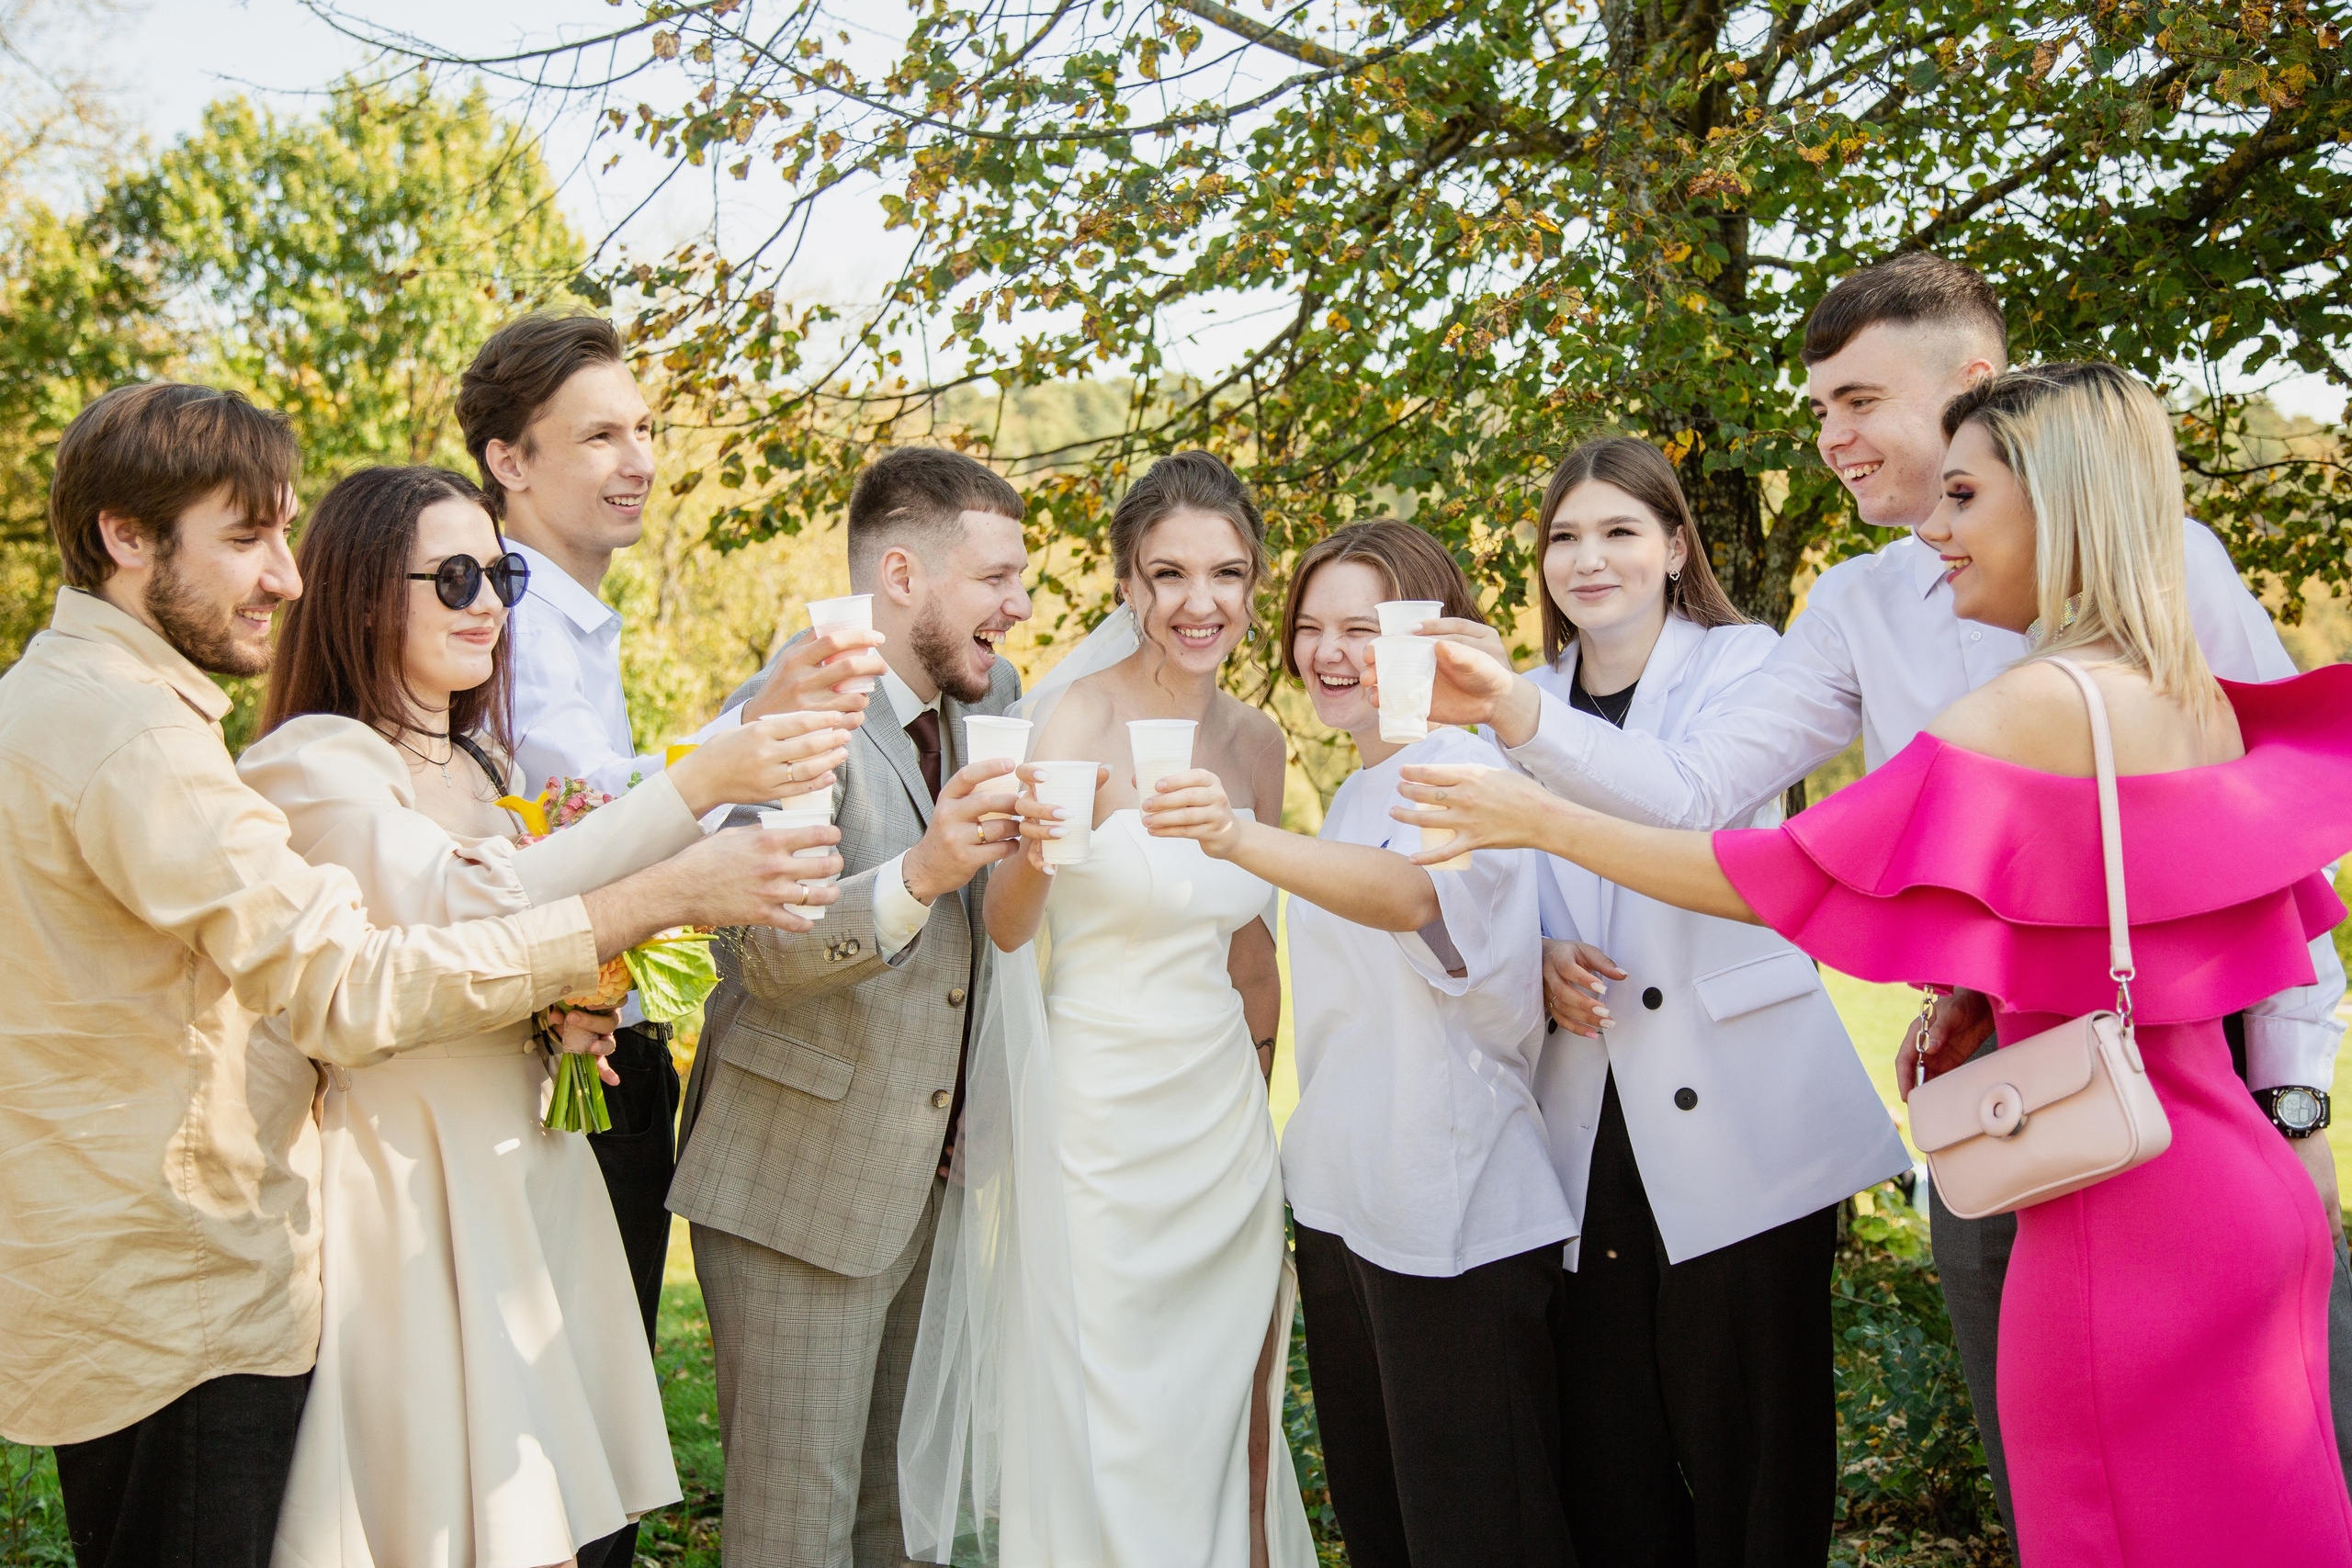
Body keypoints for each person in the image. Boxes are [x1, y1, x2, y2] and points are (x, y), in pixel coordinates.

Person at [1407, 253, 2350, 1529]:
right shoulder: (2108, 669)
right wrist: (1981, 985)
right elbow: (2229, 880)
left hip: (2163, 1157)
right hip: (2085, 1127)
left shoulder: (2036, 688)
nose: (1837, 444)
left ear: (1978, 393)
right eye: (1818, 412)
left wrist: (1530, 808)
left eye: (1863, 405)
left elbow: (1792, 872)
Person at [0, 383, 816, 1568]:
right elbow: (352, 984)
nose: (281, 575)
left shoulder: (57, 705)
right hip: (192, 1279)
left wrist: (563, 995)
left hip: (151, 1263)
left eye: (285, 536)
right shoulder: (156, 741)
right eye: (247, 538)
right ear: (126, 538)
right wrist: (654, 892)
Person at [238, 465, 854, 1568]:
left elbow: (528, 937)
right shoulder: (315, 759)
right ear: (363, 592)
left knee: (549, 1515)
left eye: (503, 576)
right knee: (445, 1519)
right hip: (415, 1185)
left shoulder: (485, 760)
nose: (488, 604)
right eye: (457, 576)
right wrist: (696, 786)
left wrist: (571, 1000)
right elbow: (464, 909)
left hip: (532, 1168)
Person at [902, 449, 1317, 1566]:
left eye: (1225, 575)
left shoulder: (1257, 743)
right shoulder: (1075, 718)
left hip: (1221, 1125)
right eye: (1167, 574)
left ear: (1252, 584)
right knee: (1107, 1408)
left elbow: (1250, 948)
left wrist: (1261, 1110)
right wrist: (1040, 847)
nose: (1199, 603)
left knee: (1219, 1400)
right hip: (1095, 1121)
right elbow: (1004, 926)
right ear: (1128, 585)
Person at [1137, 518, 1576, 1567]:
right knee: (1385, 1528)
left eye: (1365, 630)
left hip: (1451, 1217)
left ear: (1431, 639)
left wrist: (1239, 836)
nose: (1330, 654)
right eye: (1312, 627)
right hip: (1340, 1204)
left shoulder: (1461, 770)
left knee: (1478, 1536)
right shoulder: (1350, 793)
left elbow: (1412, 898)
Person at [457, 311, 887, 1354]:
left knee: (601, 1411)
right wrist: (754, 723)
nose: (639, 461)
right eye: (601, 436)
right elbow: (583, 815)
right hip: (555, 1052)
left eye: (645, 430)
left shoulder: (574, 621)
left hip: (602, 1034)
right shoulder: (500, 615)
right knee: (570, 1415)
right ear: (507, 460)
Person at [1512, 437, 1909, 1564]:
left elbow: (1684, 813)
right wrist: (1537, 951)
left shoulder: (1748, 665)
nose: (1588, 559)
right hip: (1582, 1114)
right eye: (1565, 536)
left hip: (1740, 1106)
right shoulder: (1519, 700)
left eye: (1620, 531)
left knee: (1755, 1434)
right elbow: (1502, 883)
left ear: (1676, 546)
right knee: (1608, 1438)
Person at [669, 445, 1033, 1567]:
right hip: (797, 1190)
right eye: (997, 580)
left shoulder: (994, 700)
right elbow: (759, 954)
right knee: (795, 1534)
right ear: (901, 576)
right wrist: (919, 872)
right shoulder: (789, 712)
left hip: (925, 1178)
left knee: (897, 1524)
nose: (1019, 608)